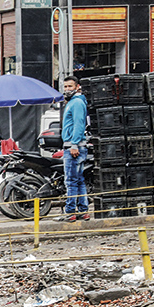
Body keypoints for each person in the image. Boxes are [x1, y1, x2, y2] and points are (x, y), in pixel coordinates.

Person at [58, 75, 90, 222]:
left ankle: (70, 212)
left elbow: (78, 124)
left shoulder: (76, 103)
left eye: (70, 86)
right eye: (65, 87)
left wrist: (74, 144)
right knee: (79, 180)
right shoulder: (75, 102)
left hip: (73, 146)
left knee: (71, 180)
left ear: (77, 87)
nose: (67, 89)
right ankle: (83, 210)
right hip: (76, 145)